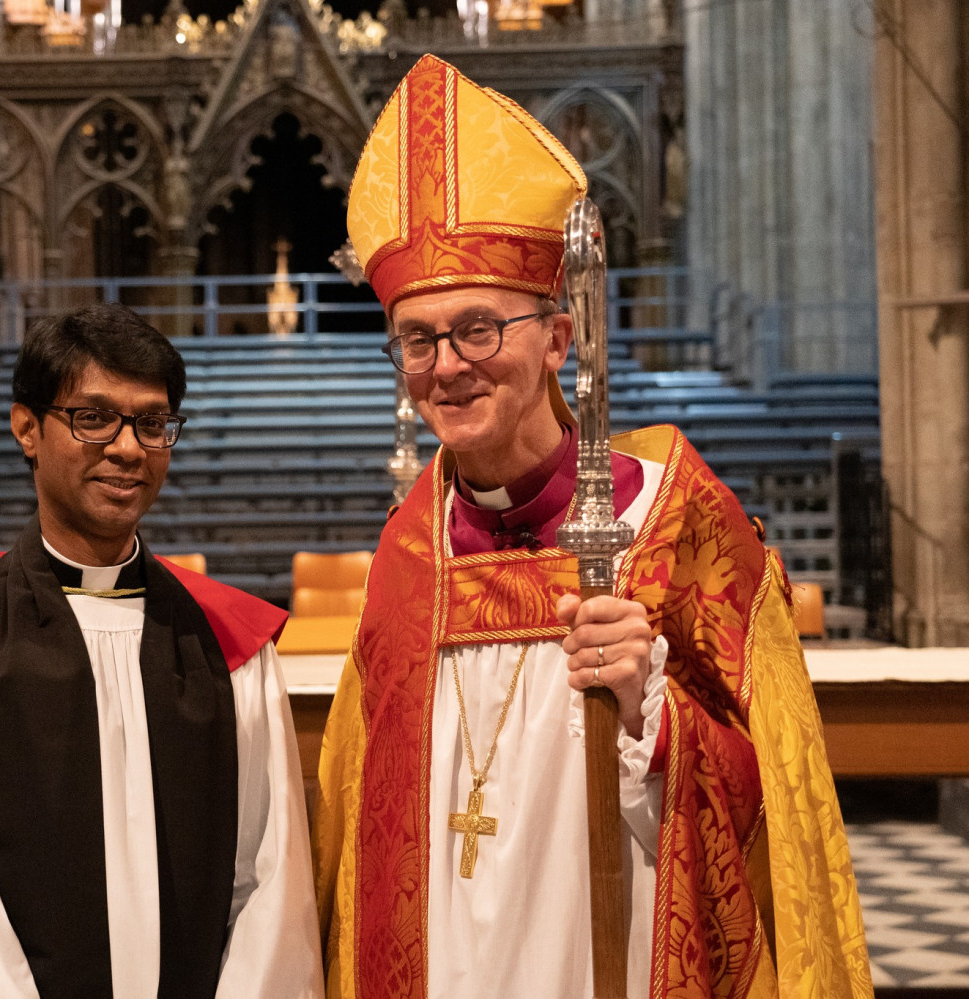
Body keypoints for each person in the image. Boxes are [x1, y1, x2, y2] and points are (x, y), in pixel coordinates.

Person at [312, 55, 873, 998]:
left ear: (558, 338)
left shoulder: (673, 518)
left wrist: (656, 718)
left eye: (479, 327)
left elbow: (772, 808)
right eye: (418, 337)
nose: (448, 366)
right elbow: (361, 831)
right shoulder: (410, 555)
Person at [0, 303, 324, 998]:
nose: (128, 448)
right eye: (94, 417)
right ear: (28, 428)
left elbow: (270, 883)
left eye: (152, 423)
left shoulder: (229, 647)